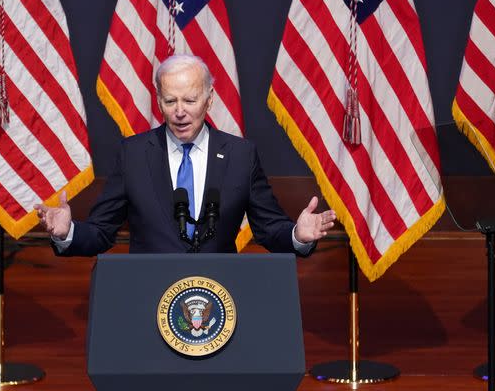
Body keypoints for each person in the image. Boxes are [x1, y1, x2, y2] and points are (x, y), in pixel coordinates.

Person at [35, 54, 336, 255]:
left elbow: (270, 229)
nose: (180, 112)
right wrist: (67, 233)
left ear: (209, 100)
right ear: (158, 101)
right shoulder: (134, 154)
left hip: (220, 298)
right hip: (151, 297)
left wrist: (297, 234)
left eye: (190, 100)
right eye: (170, 101)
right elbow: (101, 231)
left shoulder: (241, 155)